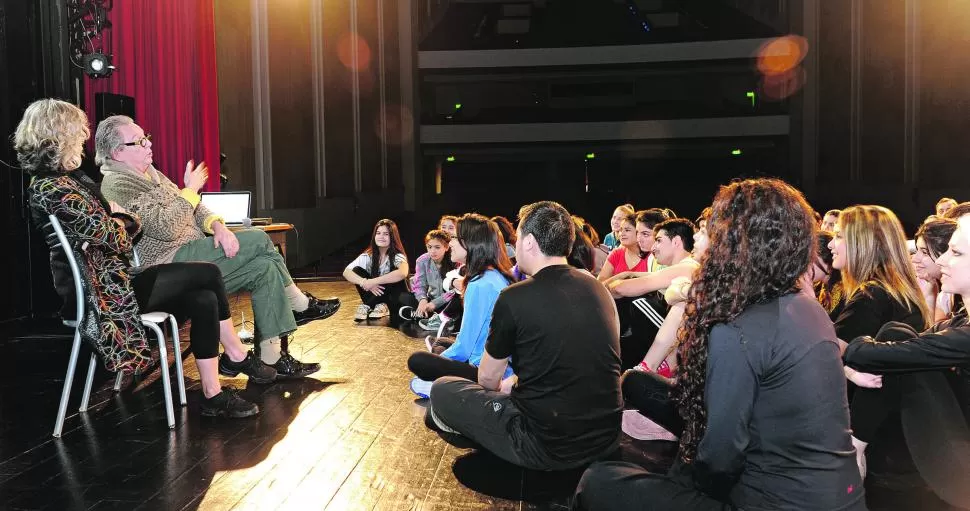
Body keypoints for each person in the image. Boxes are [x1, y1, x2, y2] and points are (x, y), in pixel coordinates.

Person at [575, 178, 865, 511]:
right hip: (841, 497)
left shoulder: (740, 326)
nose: (704, 238)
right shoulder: (808, 308)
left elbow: (720, 457)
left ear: (732, 243)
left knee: (597, 481)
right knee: (643, 389)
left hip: (770, 500)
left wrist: (680, 483)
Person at [16, 99, 276, 418]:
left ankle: (213, 393)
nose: (83, 140)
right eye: (77, 134)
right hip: (102, 295)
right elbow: (115, 234)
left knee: (204, 296)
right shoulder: (53, 188)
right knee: (208, 273)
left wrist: (121, 219)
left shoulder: (67, 182)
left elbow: (116, 227)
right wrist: (123, 219)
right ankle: (235, 355)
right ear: (56, 136)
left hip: (114, 282)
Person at [96, 116, 334, 379]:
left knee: (264, 267)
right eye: (140, 141)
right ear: (118, 152)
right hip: (170, 264)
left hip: (198, 252)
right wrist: (190, 190)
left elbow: (196, 208)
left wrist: (219, 226)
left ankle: (272, 357)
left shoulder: (154, 174)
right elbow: (166, 227)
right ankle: (299, 305)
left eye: (147, 137)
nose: (148, 145)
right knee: (257, 238)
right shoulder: (118, 185)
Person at [427, 201, 622, 471]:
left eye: (517, 238)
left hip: (546, 445)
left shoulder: (514, 296)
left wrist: (507, 387)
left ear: (529, 242)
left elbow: (486, 378)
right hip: (606, 439)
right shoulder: (597, 288)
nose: (515, 246)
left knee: (441, 391)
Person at [841, 211, 970, 508]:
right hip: (952, 456)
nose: (942, 261)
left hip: (963, 478)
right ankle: (858, 446)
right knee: (896, 333)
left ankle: (856, 447)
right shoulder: (959, 321)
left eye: (956, 252)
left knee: (894, 341)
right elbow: (909, 344)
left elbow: (871, 352)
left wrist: (852, 353)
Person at [407, 215, 514, 397]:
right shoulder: (492, 275)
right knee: (441, 343)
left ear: (470, 243)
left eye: (455, 237)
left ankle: (447, 385)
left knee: (418, 361)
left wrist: (438, 362)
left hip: (487, 369)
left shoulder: (480, 284)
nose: (451, 242)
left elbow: (465, 347)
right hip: (498, 361)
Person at [342, 219, 410, 323]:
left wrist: (373, 281)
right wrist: (364, 282)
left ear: (392, 237)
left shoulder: (397, 256)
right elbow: (346, 272)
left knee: (393, 273)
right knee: (356, 270)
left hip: (397, 299)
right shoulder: (368, 256)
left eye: (386, 234)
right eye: (378, 233)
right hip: (377, 297)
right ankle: (379, 305)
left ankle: (368, 305)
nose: (381, 237)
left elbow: (402, 273)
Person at [399, 229, 455, 326]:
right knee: (404, 297)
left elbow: (454, 291)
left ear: (446, 247)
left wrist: (435, 304)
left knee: (455, 302)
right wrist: (422, 300)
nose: (432, 251)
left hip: (447, 301)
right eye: (429, 247)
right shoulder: (422, 260)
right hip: (430, 299)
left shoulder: (454, 259)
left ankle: (422, 315)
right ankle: (426, 313)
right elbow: (420, 284)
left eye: (437, 247)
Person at [912, 218, 960, 322]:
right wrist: (930, 294)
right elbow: (932, 332)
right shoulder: (946, 294)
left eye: (925, 252)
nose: (914, 259)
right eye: (917, 250)